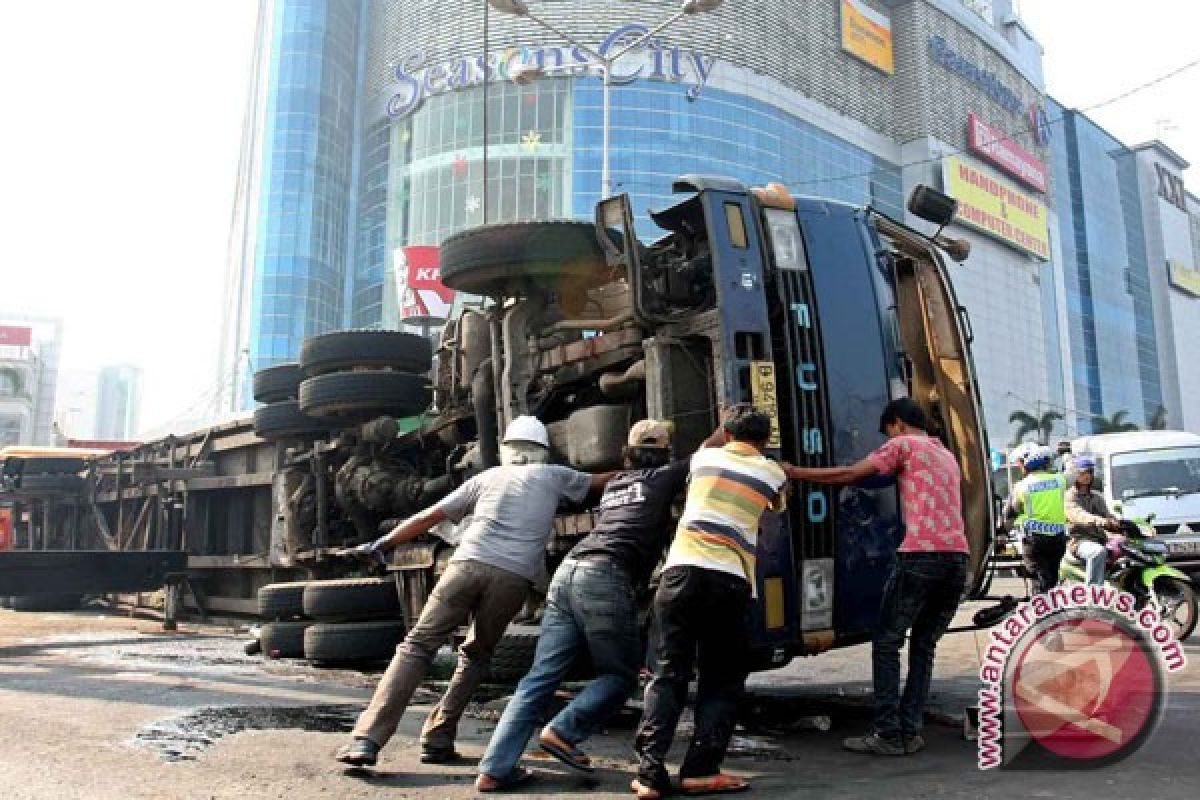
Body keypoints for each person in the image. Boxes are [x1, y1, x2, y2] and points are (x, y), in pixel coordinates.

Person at [334, 415, 613, 769]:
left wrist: (382, 543)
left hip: (466, 566)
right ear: (543, 450)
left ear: (506, 449)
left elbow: (427, 517)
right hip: (512, 580)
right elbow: (606, 481)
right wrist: (649, 467)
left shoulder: (486, 478)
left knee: (417, 646)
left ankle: (367, 740)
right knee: (476, 655)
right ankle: (438, 736)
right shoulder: (554, 476)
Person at [475, 419, 712, 792]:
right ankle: (563, 731)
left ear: (627, 455)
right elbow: (707, 450)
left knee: (539, 678)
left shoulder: (616, 484)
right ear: (666, 454)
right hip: (605, 576)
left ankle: (493, 769)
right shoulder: (665, 477)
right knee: (619, 676)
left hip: (568, 571)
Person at [785, 397, 968, 757]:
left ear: (897, 423)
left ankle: (887, 733)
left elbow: (852, 475)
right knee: (924, 646)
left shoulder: (902, 444)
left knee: (887, 642)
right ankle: (910, 731)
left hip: (920, 556)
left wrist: (795, 472)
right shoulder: (944, 452)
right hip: (957, 558)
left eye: (887, 430)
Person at [632, 405, 788, 800]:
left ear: (726, 431)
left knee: (668, 674)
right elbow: (774, 508)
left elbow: (711, 444)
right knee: (721, 678)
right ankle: (700, 771)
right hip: (729, 581)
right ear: (765, 440)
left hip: (681, 572)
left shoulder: (702, 459)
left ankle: (649, 775)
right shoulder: (772, 472)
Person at [1006, 444, 1069, 594]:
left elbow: (1013, 509)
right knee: (1052, 578)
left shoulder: (1022, 486)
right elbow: (1073, 472)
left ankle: (1041, 612)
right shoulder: (1059, 480)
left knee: (1039, 581)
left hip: (1035, 540)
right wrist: (1066, 455)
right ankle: (1052, 611)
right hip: (1058, 538)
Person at [1064, 457, 1122, 586]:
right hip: (1079, 541)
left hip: (1100, 539)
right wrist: (1101, 521)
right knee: (1097, 552)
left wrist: (1120, 523)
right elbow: (1079, 516)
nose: (1087, 476)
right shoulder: (1069, 497)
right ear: (1074, 475)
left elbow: (1108, 515)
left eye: (1089, 472)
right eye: (1082, 473)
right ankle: (1094, 592)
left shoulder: (1096, 497)